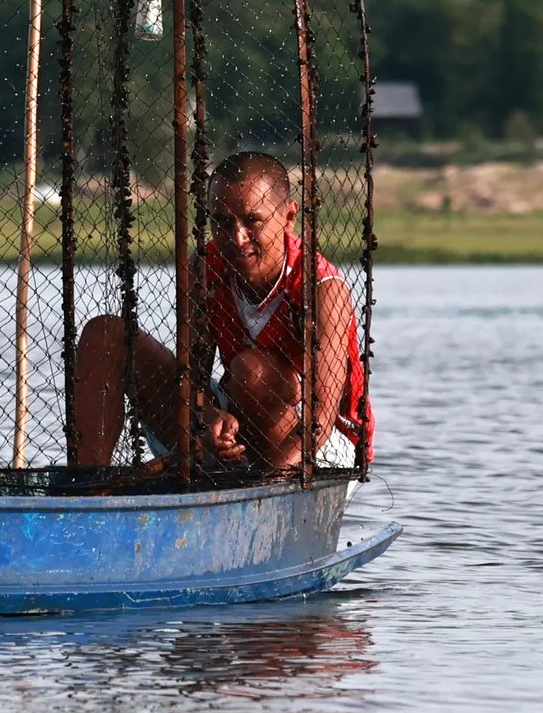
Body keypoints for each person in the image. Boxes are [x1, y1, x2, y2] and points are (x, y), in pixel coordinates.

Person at [67, 151, 371, 472]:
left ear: (289, 217)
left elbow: (320, 420)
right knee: (105, 334)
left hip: (312, 445)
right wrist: (210, 419)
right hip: (234, 423)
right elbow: (191, 378)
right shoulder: (204, 269)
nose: (237, 238)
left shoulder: (322, 288)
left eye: (253, 221)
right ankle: (90, 489)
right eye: (223, 223)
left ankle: (260, 476)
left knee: (252, 372)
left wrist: (269, 485)